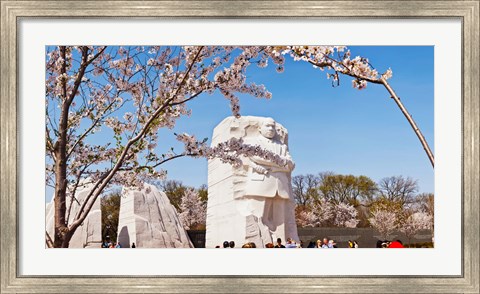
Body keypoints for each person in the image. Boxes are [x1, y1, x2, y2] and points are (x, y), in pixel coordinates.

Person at [242, 118, 298, 245]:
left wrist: (272, 165)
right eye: (267, 126)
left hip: (281, 185)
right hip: (261, 185)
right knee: (259, 216)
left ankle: (282, 242)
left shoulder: (282, 146)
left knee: (281, 219)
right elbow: (255, 157)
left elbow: (291, 165)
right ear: (260, 128)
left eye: (273, 127)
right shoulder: (253, 142)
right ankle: (262, 242)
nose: (271, 129)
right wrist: (279, 164)